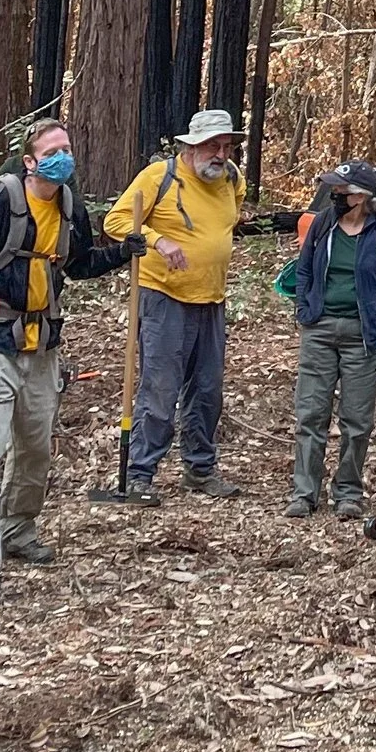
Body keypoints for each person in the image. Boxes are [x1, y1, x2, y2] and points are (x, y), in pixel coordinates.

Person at [0, 120, 142, 597]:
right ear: (29, 161)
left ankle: (18, 529)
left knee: (34, 450)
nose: (62, 158)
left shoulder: (70, 206)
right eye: (52, 152)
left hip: (42, 348)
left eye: (66, 148)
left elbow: (79, 264)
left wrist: (121, 253)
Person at [104, 109, 246, 504]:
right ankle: (140, 474)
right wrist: (157, 240)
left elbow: (229, 218)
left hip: (211, 298)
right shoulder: (159, 177)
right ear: (191, 146)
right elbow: (116, 221)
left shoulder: (231, 179)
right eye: (212, 146)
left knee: (207, 390)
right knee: (160, 388)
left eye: (226, 146)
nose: (221, 154)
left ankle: (199, 469)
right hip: (164, 297)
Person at [287, 160, 376, 518]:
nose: (335, 194)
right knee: (311, 413)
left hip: (364, 335)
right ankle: (304, 493)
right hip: (320, 329)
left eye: (342, 190)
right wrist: (304, 307)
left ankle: (348, 492)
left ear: (360, 196)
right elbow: (305, 267)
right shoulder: (324, 222)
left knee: (357, 420)